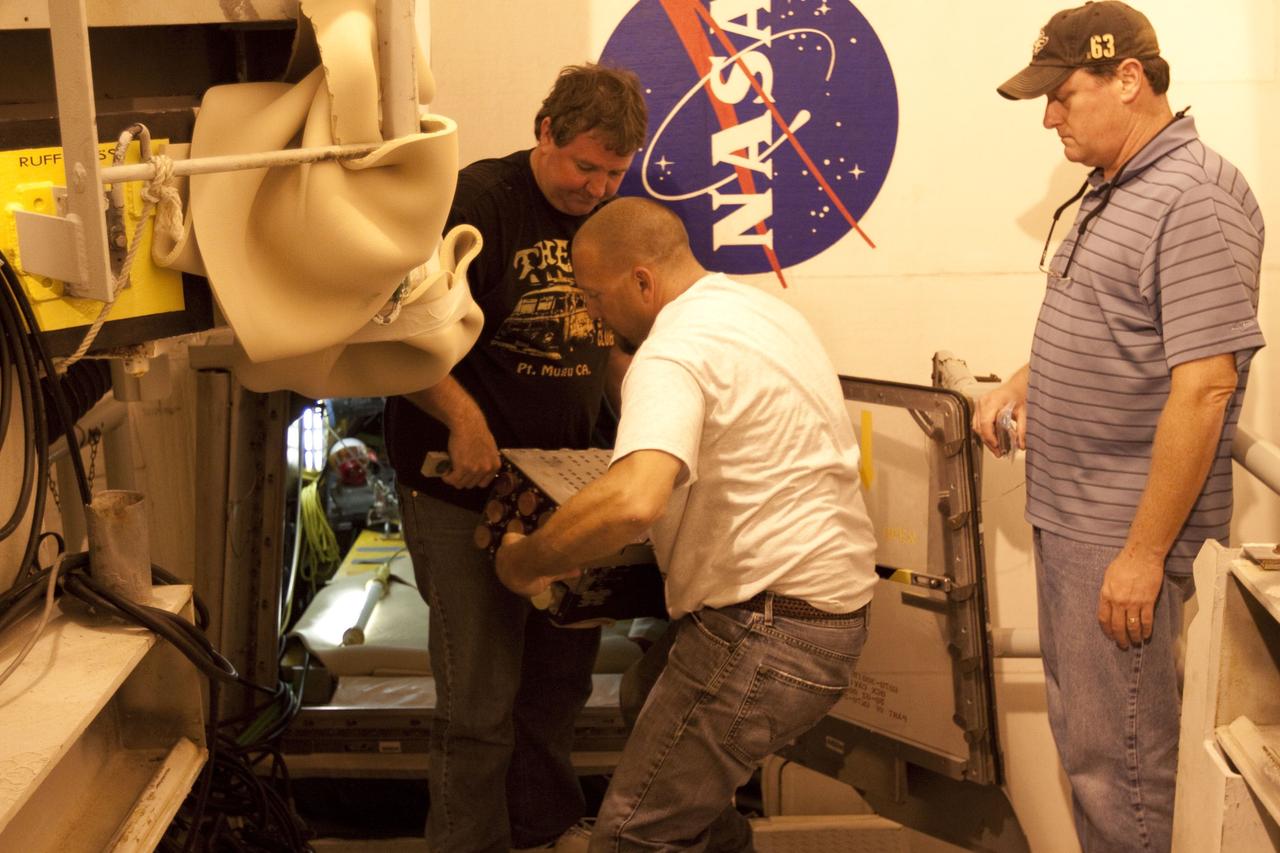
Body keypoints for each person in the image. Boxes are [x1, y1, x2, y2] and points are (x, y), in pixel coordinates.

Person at [494, 197, 878, 852]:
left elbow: (633, 500)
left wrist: (526, 559)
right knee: (648, 698)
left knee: (633, 836)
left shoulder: (671, 354)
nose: (589, 312)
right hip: (828, 612)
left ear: (642, 282)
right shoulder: (756, 312)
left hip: (765, 629)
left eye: (593, 294)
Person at [973, 3, 1265, 850]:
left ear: (1128, 79)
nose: (1048, 117)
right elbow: (1119, 326)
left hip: (1120, 536)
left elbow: (1206, 386)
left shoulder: (1194, 196)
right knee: (1095, 757)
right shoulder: (1115, 186)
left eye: (1062, 95)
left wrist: (1141, 554)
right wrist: (1026, 381)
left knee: (1123, 771)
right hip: (1078, 525)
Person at [383, 64, 647, 853]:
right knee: (478, 705)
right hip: (461, 493)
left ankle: (543, 833)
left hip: (569, 494)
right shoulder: (475, 204)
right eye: (584, 166)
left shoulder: (611, 221)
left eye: (613, 173)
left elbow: (606, 346)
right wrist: (462, 417)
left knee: (557, 689)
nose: (596, 187)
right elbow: (396, 329)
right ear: (545, 134)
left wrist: (650, 413)